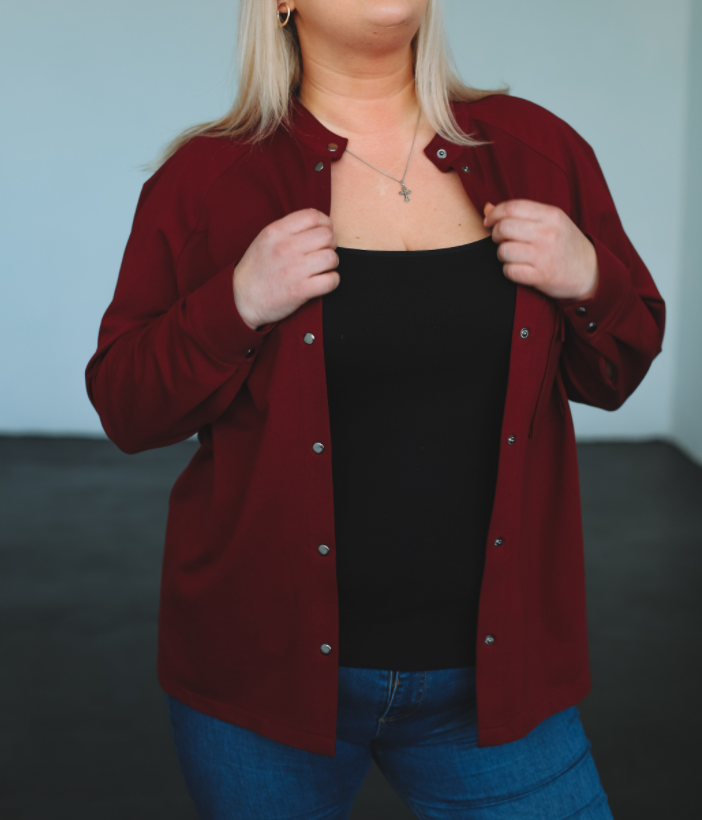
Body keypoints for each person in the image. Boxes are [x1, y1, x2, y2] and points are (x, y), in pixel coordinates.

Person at [85, 1, 665, 817]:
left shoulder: (539, 150)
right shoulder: (208, 177)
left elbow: (617, 370)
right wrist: (236, 302)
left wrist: (591, 278)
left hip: (494, 684)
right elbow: (127, 407)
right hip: (263, 677)